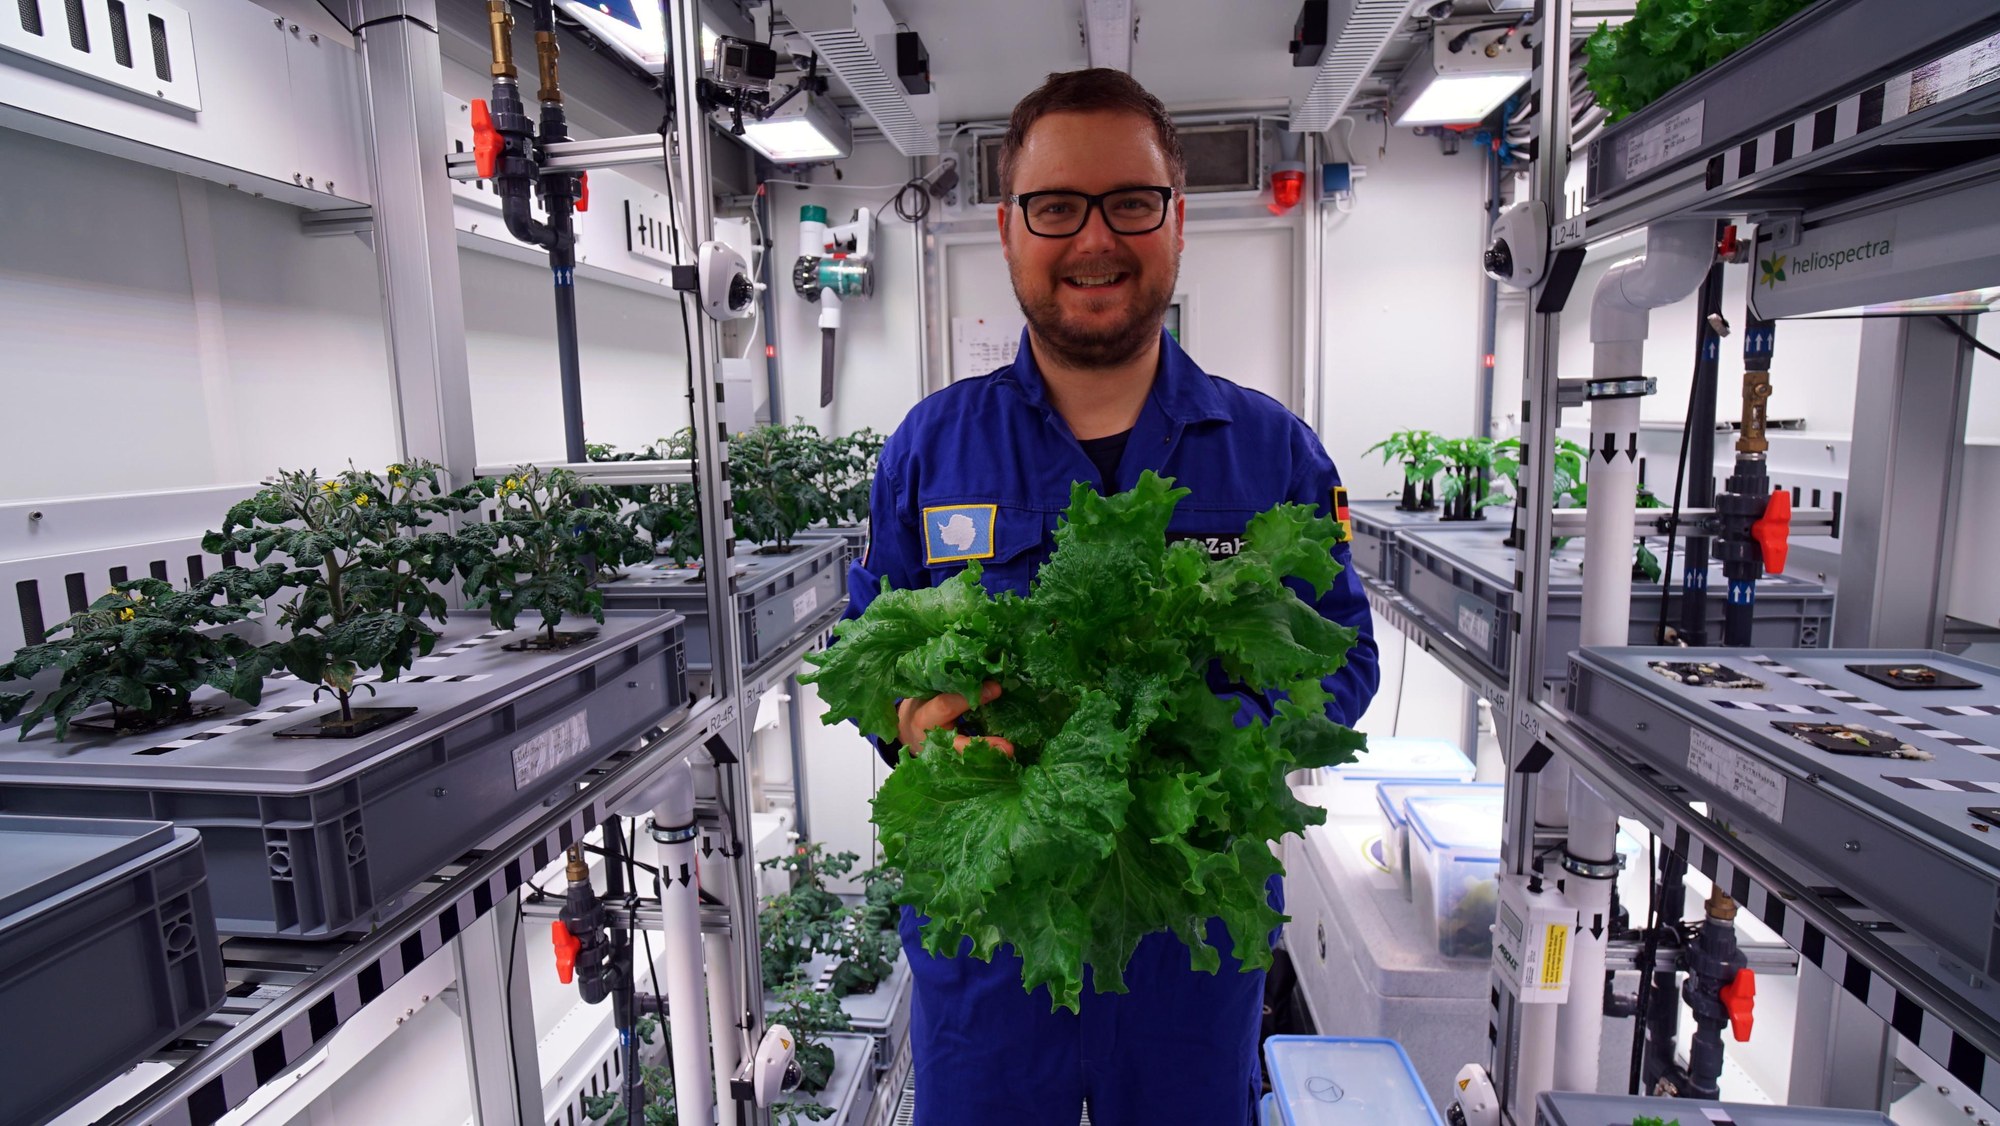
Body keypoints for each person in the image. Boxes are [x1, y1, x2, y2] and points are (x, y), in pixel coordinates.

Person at [839, 68, 1380, 1125]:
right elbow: (868, 654)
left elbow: (1343, 661)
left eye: (1130, 202)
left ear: (1177, 223)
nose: (1094, 238)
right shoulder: (928, 447)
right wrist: (913, 722)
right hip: (990, 938)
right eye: (1055, 206)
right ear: (1007, 230)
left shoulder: (1270, 450)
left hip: (1186, 932)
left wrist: (1194, 746)